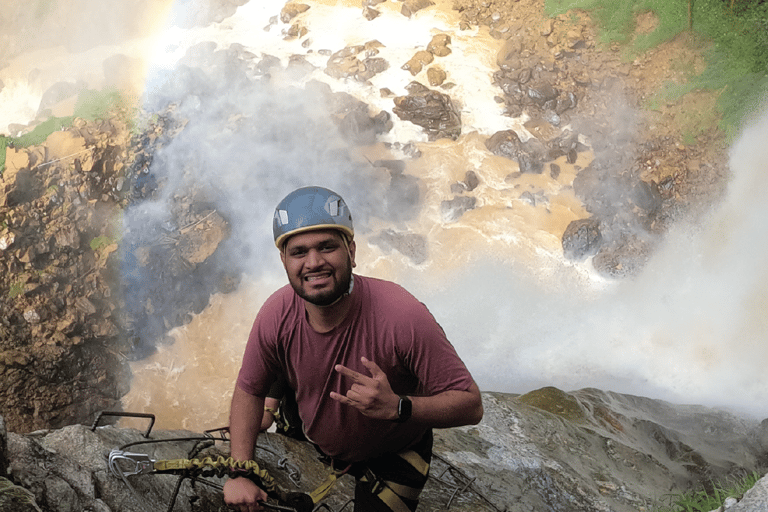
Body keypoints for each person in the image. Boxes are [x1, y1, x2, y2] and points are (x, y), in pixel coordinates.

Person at [223, 186, 483, 512]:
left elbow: (471, 404)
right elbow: (249, 389)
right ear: (284, 261)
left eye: (327, 247)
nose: (314, 263)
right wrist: (239, 471)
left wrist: (399, 407)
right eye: (299, 252)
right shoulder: (276, 314)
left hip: (393, 455)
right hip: (310, 433)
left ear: (352, 251)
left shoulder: (402, 316)